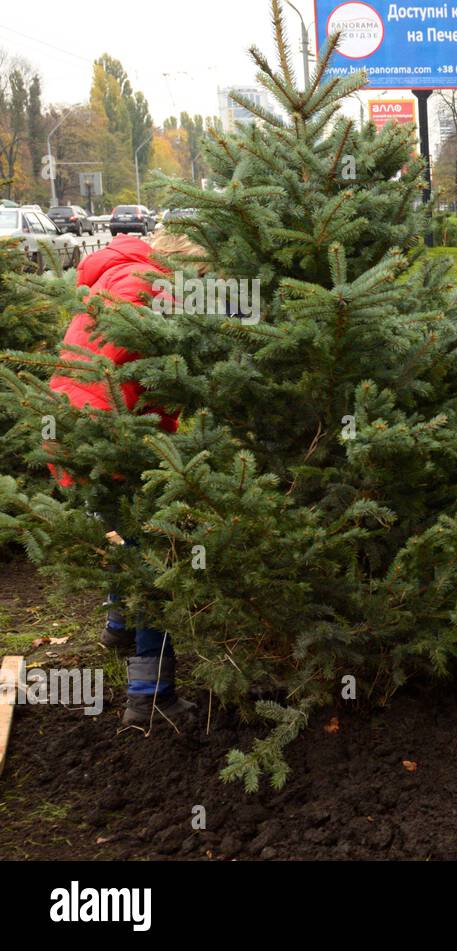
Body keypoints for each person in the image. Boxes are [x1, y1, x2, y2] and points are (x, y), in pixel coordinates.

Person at [48, 230, 207, 729]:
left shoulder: (119, 274)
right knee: (152, 561)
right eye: (203, 277)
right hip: (108, 435)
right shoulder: (156, 292)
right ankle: (150, 697)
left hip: (74, 426)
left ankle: (117, 627)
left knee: (124, 538)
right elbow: (161, 380)